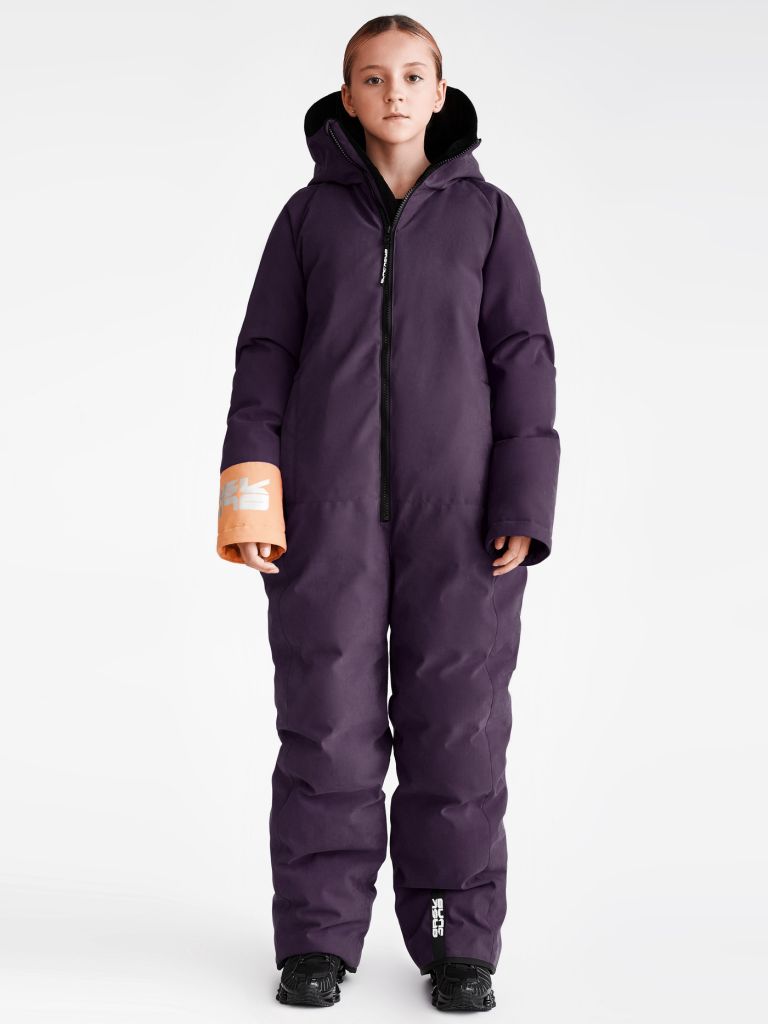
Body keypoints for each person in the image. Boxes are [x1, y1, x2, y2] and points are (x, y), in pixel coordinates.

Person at [216, 13, 560, 1013]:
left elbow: (525, 360)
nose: (395, 92)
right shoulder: (306, 220)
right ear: (349, 96)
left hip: (463, 520)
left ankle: (457, 942)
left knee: (459, 729)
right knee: (326, 725)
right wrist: (251, 499)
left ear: (440, 93)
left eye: (413, 76)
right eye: (374, 78)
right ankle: (318, 939)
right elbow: (264, 358)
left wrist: (524, 504)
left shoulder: (489, 219)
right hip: (323, 516)